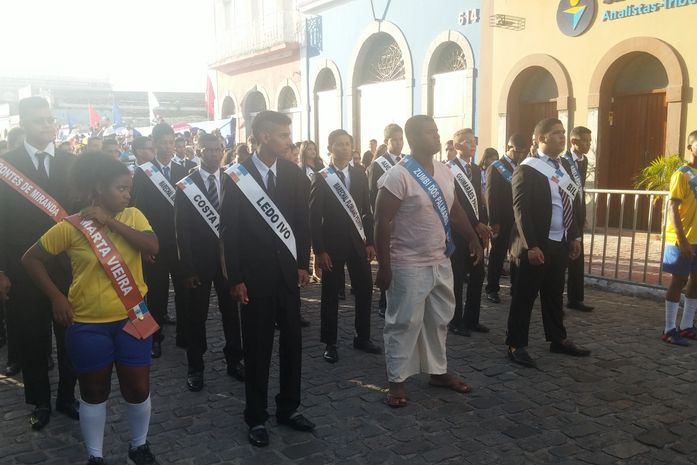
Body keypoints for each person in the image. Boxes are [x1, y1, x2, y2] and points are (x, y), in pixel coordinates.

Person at [23, 153, 160, 465]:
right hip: (87, 323)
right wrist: (56, 296)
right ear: (99, 187)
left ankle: (139, 447)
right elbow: (31, 259)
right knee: (94, 391)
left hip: (133, 317)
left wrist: (108, 221)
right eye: (120, 189)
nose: (127, 195)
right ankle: (95, 456)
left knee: (138, 388)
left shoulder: (134, 216)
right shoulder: (71, 226)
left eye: (129, 189)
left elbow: (152, 246)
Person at [374, 115, 483, 407]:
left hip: (440, 259)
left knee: (438, 320)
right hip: (407, 263)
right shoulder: (398, 176)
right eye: (428, 132)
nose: (436, 136)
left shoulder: (445, 171)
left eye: (436, 131)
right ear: (412, 139)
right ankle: (397, 381)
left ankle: (438, 372)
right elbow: (381, 222)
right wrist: (384, 266)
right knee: (403, 322)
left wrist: (472, 237)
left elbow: (455, 210)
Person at [220, 111, 314, 447]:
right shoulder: (237, 177)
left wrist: (302, 263)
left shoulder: (293, 174)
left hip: (287, 277)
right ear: (263, 136)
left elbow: (301, 224)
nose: (289, 141)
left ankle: (289, 407)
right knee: (258, 349)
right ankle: (256, 416)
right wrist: (236, 278)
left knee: (292, 346)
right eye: (283, 135)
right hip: (254, 278)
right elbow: (229, 231)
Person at [0, 96, 78, 429]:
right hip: (22, 267)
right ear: (23, 124)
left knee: (71, 337)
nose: (48, 126)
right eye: (39, 120)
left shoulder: (72, 163)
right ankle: (40, 401)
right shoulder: (6, 166)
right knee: (32, 337)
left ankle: (67, 396)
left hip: (67, 266)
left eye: (50, 119)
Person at [506, 118, 590, 368]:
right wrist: (531, 246)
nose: (562, 137)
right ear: (541, 138)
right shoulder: (528, 168)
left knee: (554, 295)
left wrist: (574, 237)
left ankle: (557, 338)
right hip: (535, 245)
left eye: (563, 132)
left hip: (559, 241)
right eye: (556, 133)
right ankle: (515, 344)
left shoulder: (563, 166)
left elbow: (569, 203)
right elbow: (521, 211)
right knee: (524, 297)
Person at [174, 133, 245, 391]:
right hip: (199, 263)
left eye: (219, 149)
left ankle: (235, 360)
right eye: (209, 150)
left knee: (232, 314)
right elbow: (181, 231)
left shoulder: (233, 179)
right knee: (197, 316)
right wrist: (187, 268)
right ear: (198, 151)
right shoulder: (186, 186)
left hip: (229, 262)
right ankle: (195, 366)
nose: (215, 154)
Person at [309, 129, 380, 364]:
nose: (345, 148)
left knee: (365, 289)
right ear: (330, 148)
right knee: (330, 295)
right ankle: (330, 342)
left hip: (358, 243)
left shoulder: (360, 173)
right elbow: (314, 217)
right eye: (339, 144)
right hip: (332, 245)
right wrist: (319, 250)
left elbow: (366, 211)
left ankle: (363, 337)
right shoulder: (322, 177)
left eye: (348, 144)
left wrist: (370, 241)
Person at [131, 122, 188, 357]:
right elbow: (138, 210)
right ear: (154, 144)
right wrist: (144, 245)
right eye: (163, 143)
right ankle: (155, 338)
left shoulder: (184, 170)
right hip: (155, 244)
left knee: (184, 289)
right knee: (156, 292)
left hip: (180, 244)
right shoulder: (144, 173)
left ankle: (185, 333)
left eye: (171, 142)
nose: (168, 147)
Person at [447, 129, 492, 337]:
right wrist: (475, 224)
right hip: (458, 232)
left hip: (477, 231)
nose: (472, 145)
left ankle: (472, 319)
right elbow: (454, 204)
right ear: (456, 146)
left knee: (477, 275)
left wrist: (484, 223)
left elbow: (479, 202)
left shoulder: (475, 169)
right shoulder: (448, 169)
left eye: (474, 141)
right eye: (467, 142)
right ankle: (455, 321)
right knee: (456, 277)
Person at [660, 130, 697, 346]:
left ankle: (686, 325)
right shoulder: (681, 174)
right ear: (690, 147)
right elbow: (673, 208)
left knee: (696, 281)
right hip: (682, 239)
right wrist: (682, 240)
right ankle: (669, 329)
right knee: (679, 281)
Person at [485, 134, 529, 303]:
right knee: (498, 253)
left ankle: (515, 287)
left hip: (518, 219)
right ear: (508, 147)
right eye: (517, 151)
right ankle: (492, 289)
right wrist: (493, 221)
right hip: (502, 219)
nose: (520, 155)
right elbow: (491, 196)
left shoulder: (522, 165)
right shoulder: (496, 167)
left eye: (522, 152)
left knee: (517, 255)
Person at [367, 124, 404, 318]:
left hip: (404, 221)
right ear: (386, 142)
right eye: (394, 140)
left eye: (401, 139)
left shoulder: (407, 161)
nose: (399, 143)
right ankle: (384, 301)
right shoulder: (378, 164)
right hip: (386, 221)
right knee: (386, 260)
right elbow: (372, 195)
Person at [563, 127, 594, 312]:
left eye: (590, 141)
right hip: (565, 215)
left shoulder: (584, 160)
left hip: (577, 215)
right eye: (585, 141)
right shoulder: (564, 161)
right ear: (574, 142)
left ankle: (575, 299)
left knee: (577, 257)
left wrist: (582, 216)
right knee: (561, 259)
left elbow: (580, 191)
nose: (589, 144)